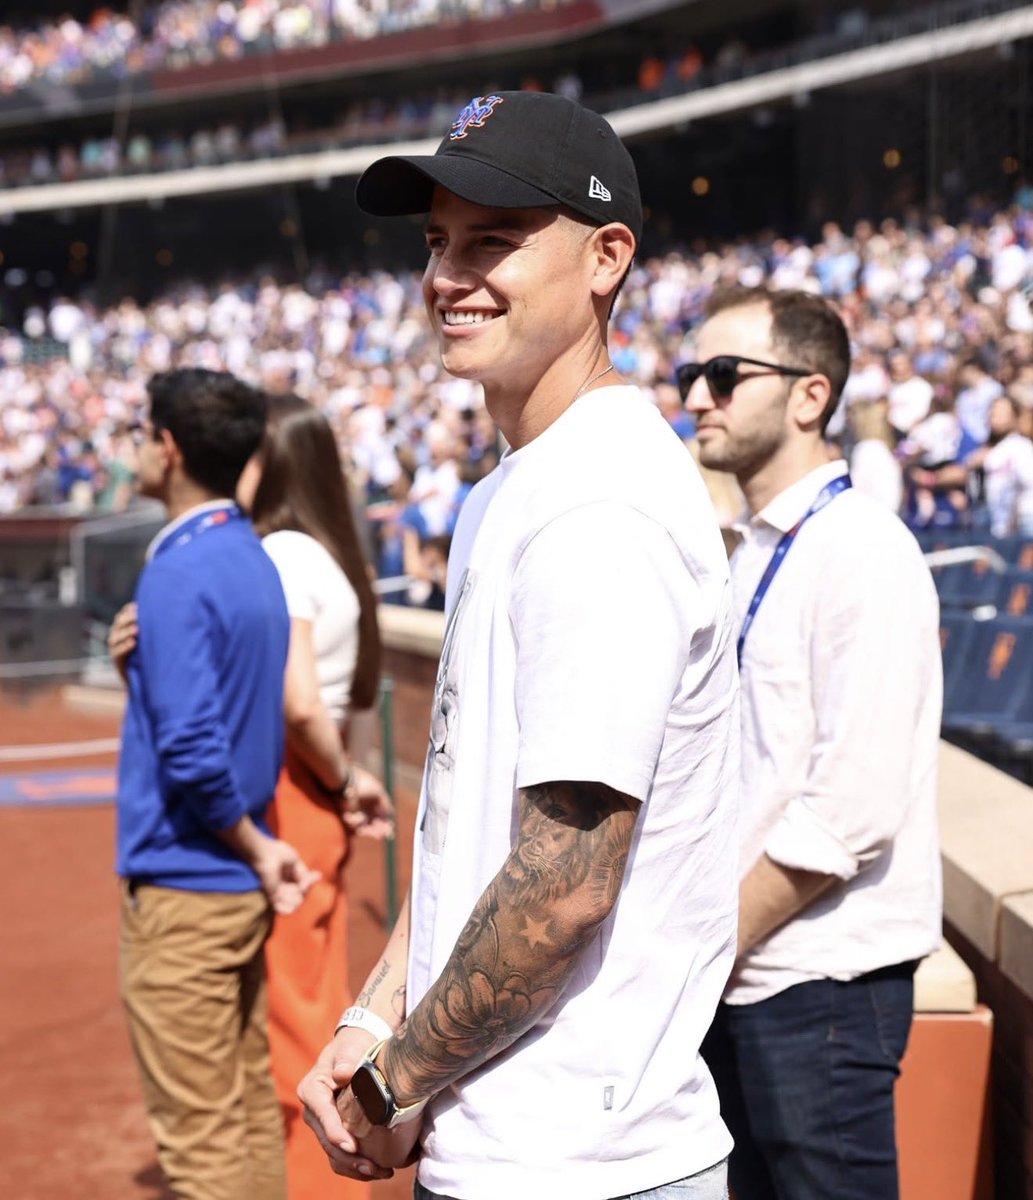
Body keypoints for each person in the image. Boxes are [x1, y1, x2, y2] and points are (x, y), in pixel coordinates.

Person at [298, 90, 740, 1199]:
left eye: (492, 240)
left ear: (605, 258)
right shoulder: (514, 488)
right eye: (437, 241)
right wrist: (373, 1020)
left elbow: (563, 885)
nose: (449, 275)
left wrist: (391, 1087)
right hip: (521, 1147)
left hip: (586, 1166)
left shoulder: (601, 502)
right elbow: (469, 828)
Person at [680, 287, 942, 1200]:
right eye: (691, 374)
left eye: (723, 374)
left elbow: (850, 807)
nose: (696, 396)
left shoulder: (861, 548)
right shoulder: (750, 547)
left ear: (809, 395)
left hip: (818, 978)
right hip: (745, 971)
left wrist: (711, 941)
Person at [107, 368, 318, 1200]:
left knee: (199, 1146)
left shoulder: (179, 567)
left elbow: (195, 748)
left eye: (141, 433)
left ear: (168, 447)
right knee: (245, 1111)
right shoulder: (248, 553)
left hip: (188, 881)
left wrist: (255, 846)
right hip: (227, 882)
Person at [235, 392, 394, 1200]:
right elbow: (346, 705)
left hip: (294, 790)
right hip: (312, 793)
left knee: (291, 1025)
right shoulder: (329, 556)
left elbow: (299, 702)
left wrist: (337, 780)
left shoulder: (285, 553)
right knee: (315, 1004)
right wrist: (348, 778)